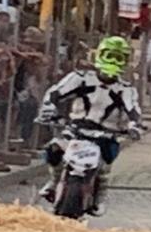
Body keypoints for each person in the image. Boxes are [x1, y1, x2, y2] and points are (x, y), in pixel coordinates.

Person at [36, 36, 142, 214]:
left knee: (105, 164)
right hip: (75, 130)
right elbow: (55, 93)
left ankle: (101, 194)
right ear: (100, 55)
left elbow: (133, 109)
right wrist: (48, 108)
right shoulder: (80, 78)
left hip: (106, 135)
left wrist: (134, 125)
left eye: (118, 57)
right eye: (109, 55)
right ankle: (54, 181)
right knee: (53, 149)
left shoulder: (126, 89)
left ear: (125, 61)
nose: (113, 61)